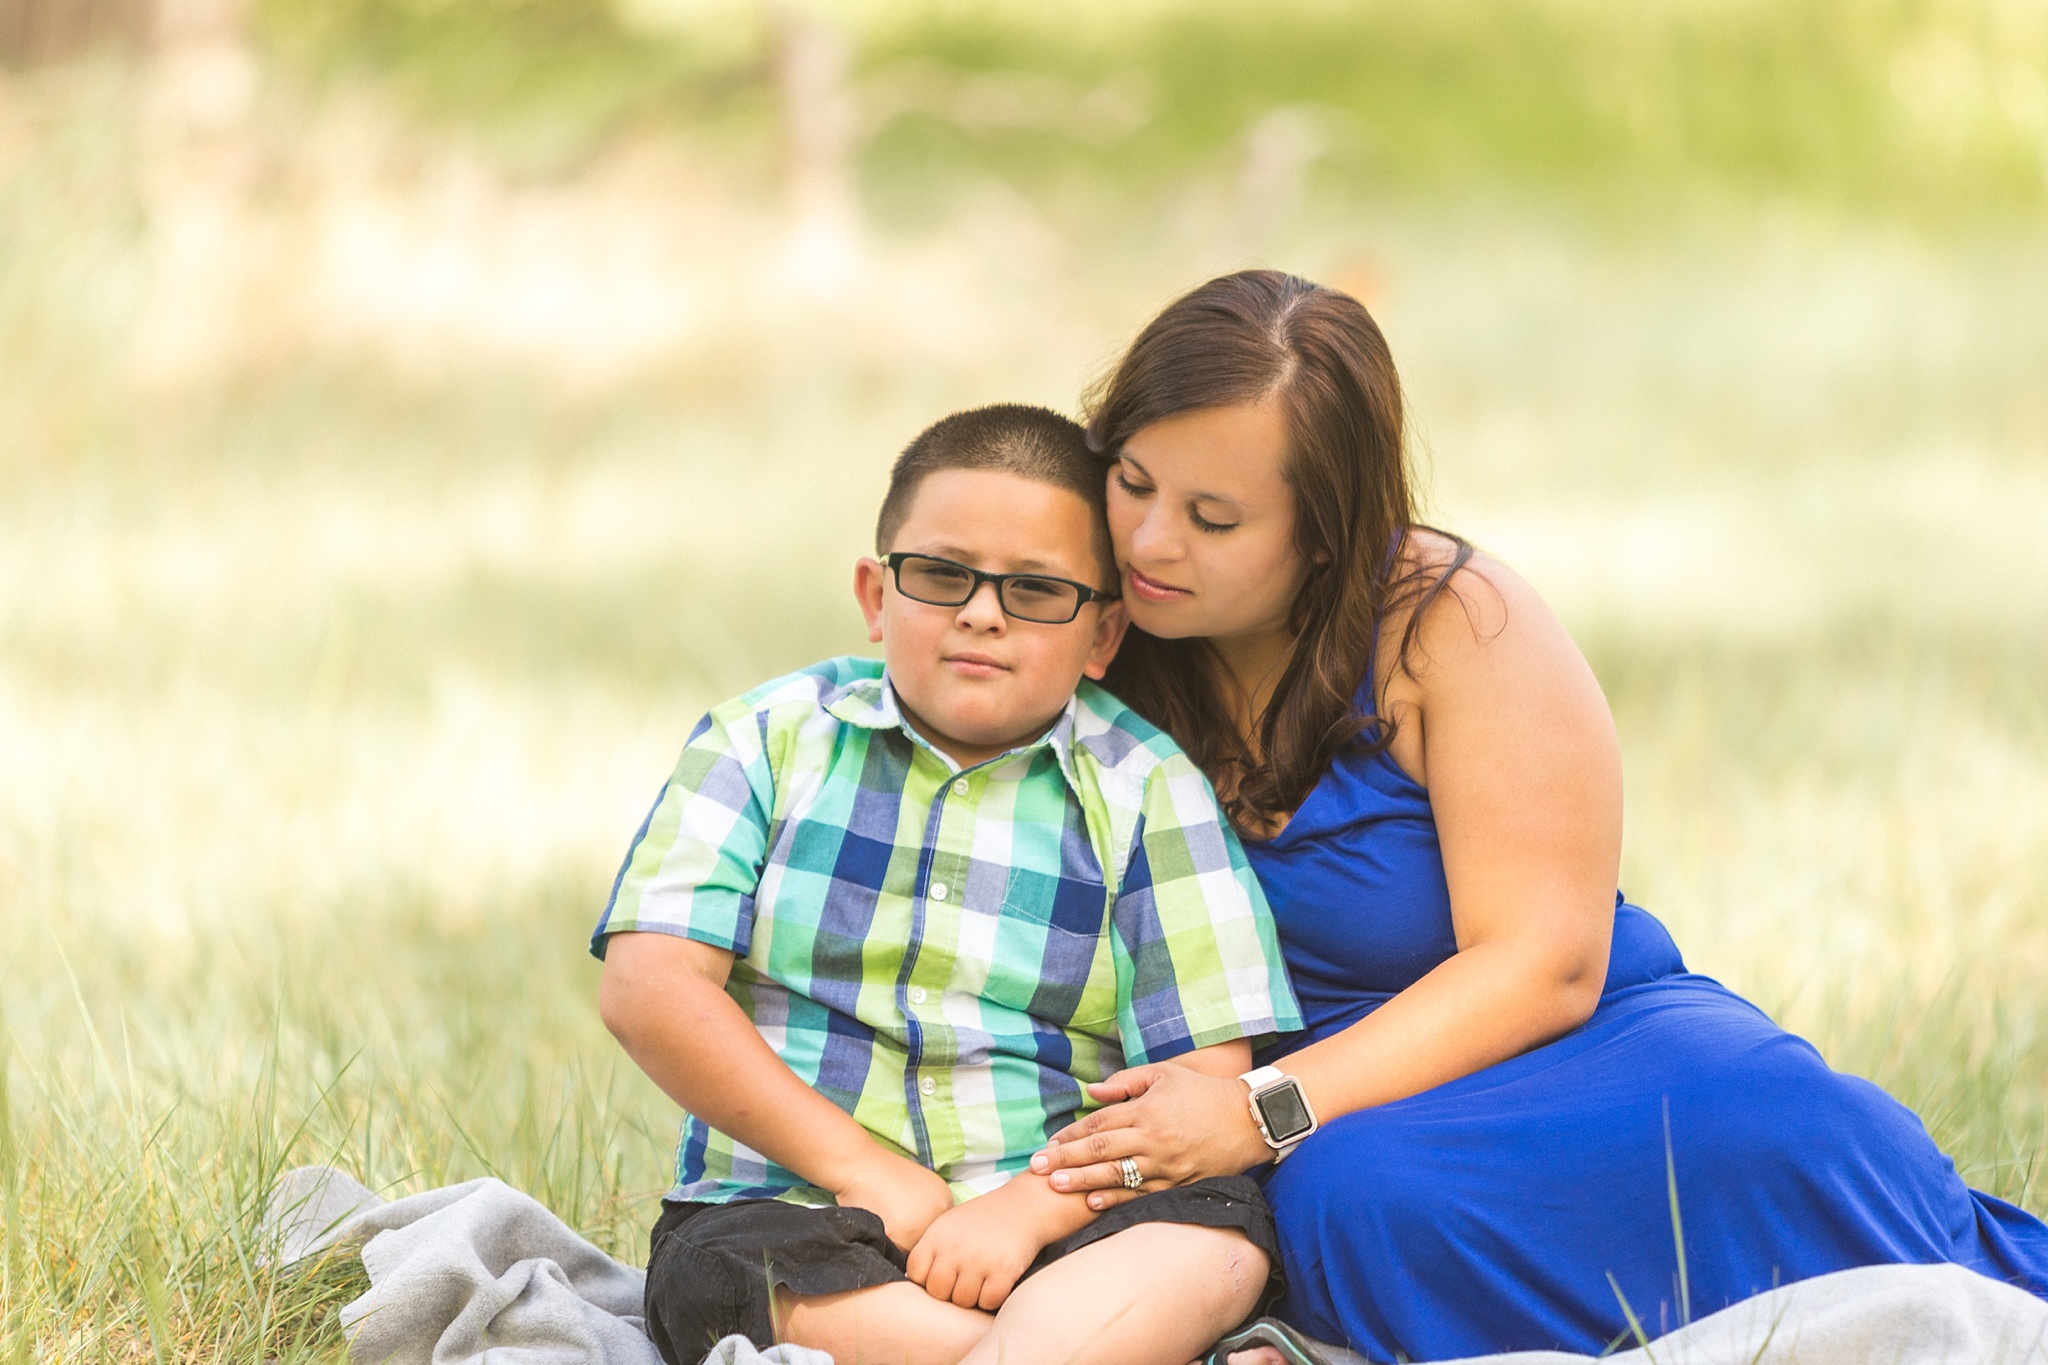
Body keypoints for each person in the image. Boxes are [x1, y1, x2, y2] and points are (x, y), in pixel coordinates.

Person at [1027, 270, 2048, 1361]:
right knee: (1358, 1198)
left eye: (1212, 519)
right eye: (1130, 483)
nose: (1147, 542)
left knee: (1758, 1131)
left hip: (1573, 1042)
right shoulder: (1074, 614)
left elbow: (1545, 963)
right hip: (1350, 1138)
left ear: (1325, 533)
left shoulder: (1451, 622)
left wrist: (1261, 1112)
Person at [593, 403, 1302, 1365]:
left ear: (1102, 636)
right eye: (941, 575)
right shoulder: (764, 740)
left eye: (1036, 591)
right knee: (713, 1280)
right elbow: (649, 988)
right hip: (801, 1205)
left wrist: (1026, 1208)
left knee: (1216, 1241)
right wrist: (861, 1169)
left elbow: (1206, 1081)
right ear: (876, 595)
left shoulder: (1146, 787)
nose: (981, 612)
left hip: (1064, 1213)